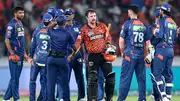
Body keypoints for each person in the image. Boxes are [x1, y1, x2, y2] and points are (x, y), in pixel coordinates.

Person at [76, 8, 115, 101]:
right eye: (91, 16)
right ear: (87, 18)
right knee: (92, 79)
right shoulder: (84, 30)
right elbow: (78, 44)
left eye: (94, 16)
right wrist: (73, 53)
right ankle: (92, 99)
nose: (93, 18)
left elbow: (108, 38)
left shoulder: (102, 26)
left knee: (110, 77)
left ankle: (108, 98)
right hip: (92, 57)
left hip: (104, 55)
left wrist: (109, 45)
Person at [118, 5, 150, 101]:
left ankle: (121, 99)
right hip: (140, 56)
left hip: (129, 55)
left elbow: (121, 41)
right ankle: (142, 99)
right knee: (141, 79)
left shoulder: (127, 24)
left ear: (130, 12)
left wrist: (122, 52)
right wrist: (147, 55)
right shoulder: (143, 26)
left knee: (125, 79)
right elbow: (148, 43)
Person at [149, 3, 177, 101]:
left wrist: (154, 31)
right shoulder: (173, 23)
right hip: (171, 50)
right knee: (168, 75)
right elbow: (175, 39)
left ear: (162, 11)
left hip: (162, 49)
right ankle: (168, 97)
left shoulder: (161, 20)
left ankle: (164, 96)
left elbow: (159, 35)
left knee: (157, 74)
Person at [47, 15, 77, 101]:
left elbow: (48, 27)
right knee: (64, 83)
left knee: (51, 83)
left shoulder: (52, 31)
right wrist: (71, 56)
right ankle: (66, 99)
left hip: (51, 59)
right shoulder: (68, 34)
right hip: (62, 60)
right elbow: (75, 48)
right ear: (65, 23)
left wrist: (55, 22)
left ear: (57, 23)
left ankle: (50, 99)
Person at [3, 6, 28, 101]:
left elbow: (21, 41)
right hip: (14, 55)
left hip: (21, 55)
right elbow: (6, 40)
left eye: (23, 12)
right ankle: (16, 98)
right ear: (15, 14)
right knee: (15, 79)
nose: (22, 14)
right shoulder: (11, 25)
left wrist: (25, 53)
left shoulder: (20, 24)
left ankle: (6, 98)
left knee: (15, 77)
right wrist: (12, 54)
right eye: (20, 13)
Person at [29, 13, 53, 101]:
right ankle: (45, 99)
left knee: (32, 81)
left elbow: (33, 45)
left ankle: (32, 99)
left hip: (36, 59)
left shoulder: (37, 30)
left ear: (43, 21)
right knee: (44, 82)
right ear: (50, 22)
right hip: (46, 60)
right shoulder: (52, 32)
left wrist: (31, 57)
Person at [65, 8, 85, 101]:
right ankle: (64, 97)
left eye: (69, 14)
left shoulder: (78, 26)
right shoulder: (62, 25)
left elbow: (81, 42)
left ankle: (81, 97)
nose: (67, 15)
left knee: (80, 77)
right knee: (65, 78)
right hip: (66, 55)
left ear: (73, 15)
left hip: (77, 55)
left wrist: (80, 54)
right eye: (66, 14)